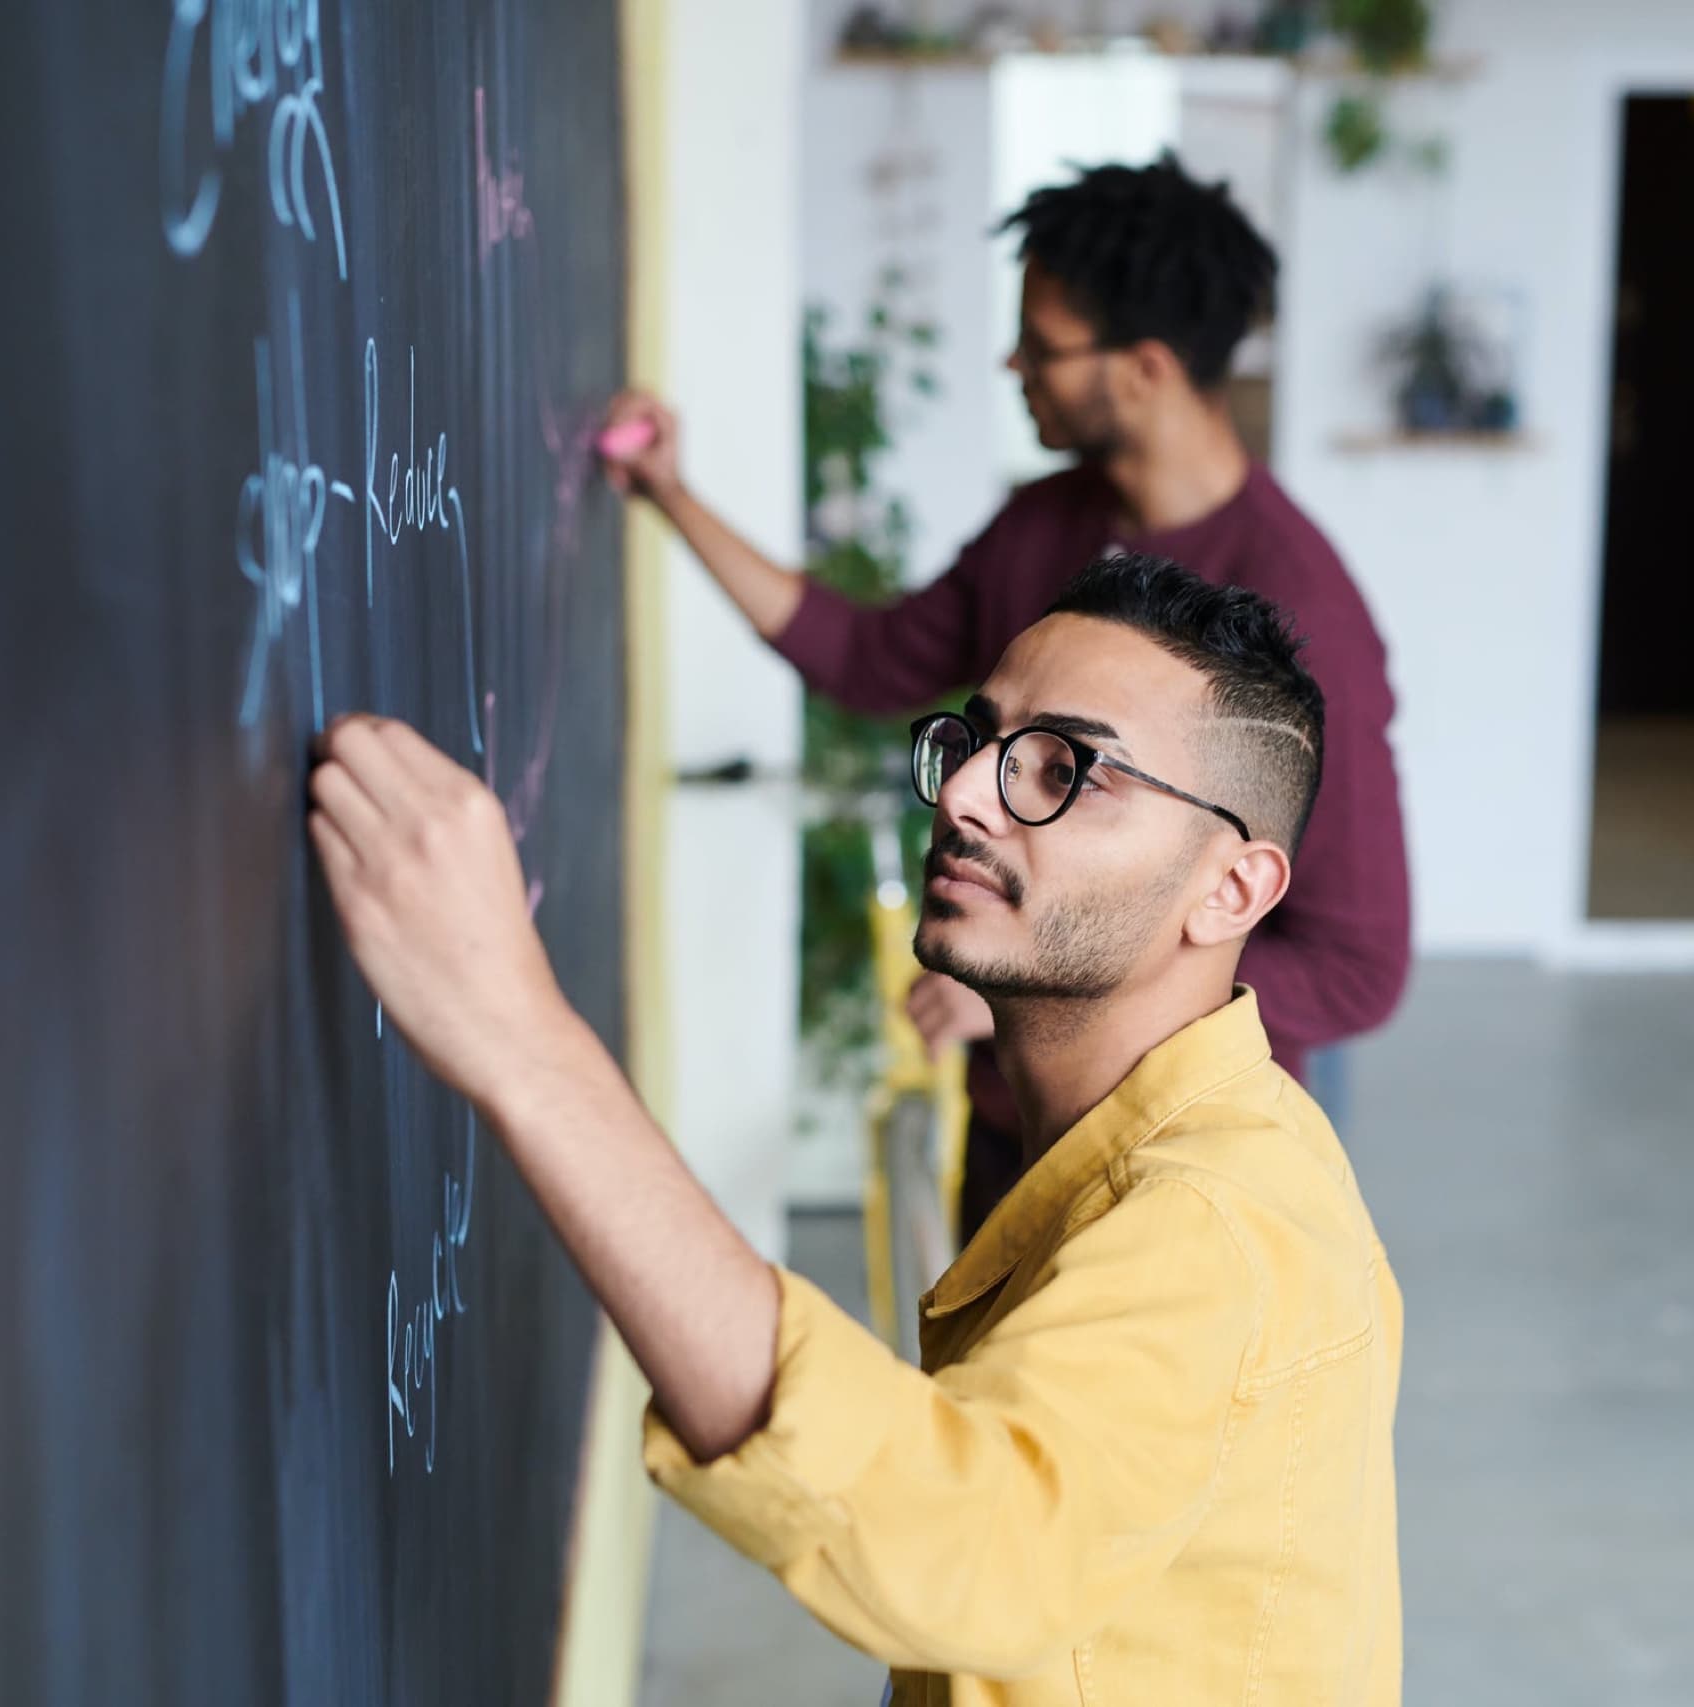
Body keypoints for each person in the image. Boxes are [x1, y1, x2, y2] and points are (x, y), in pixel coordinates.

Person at [307, 555, 1402, 1705]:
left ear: (1230, 890)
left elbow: (967, 1541)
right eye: (977, 743)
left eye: (1064, 769)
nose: (968, 795)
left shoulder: (1211, 1228)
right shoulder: (1195, 1137)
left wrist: (521, 1039)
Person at [603, 153, 1410, 1238]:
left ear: (1145, 370)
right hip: (1010, 1134)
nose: (1011, 361)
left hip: (1164, 1173)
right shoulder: (1042, 527)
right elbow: (870, 658)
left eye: (1041, 344)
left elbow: (1356, 969)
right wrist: (669, 494)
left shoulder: (1304, 606)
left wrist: (1034, 974)